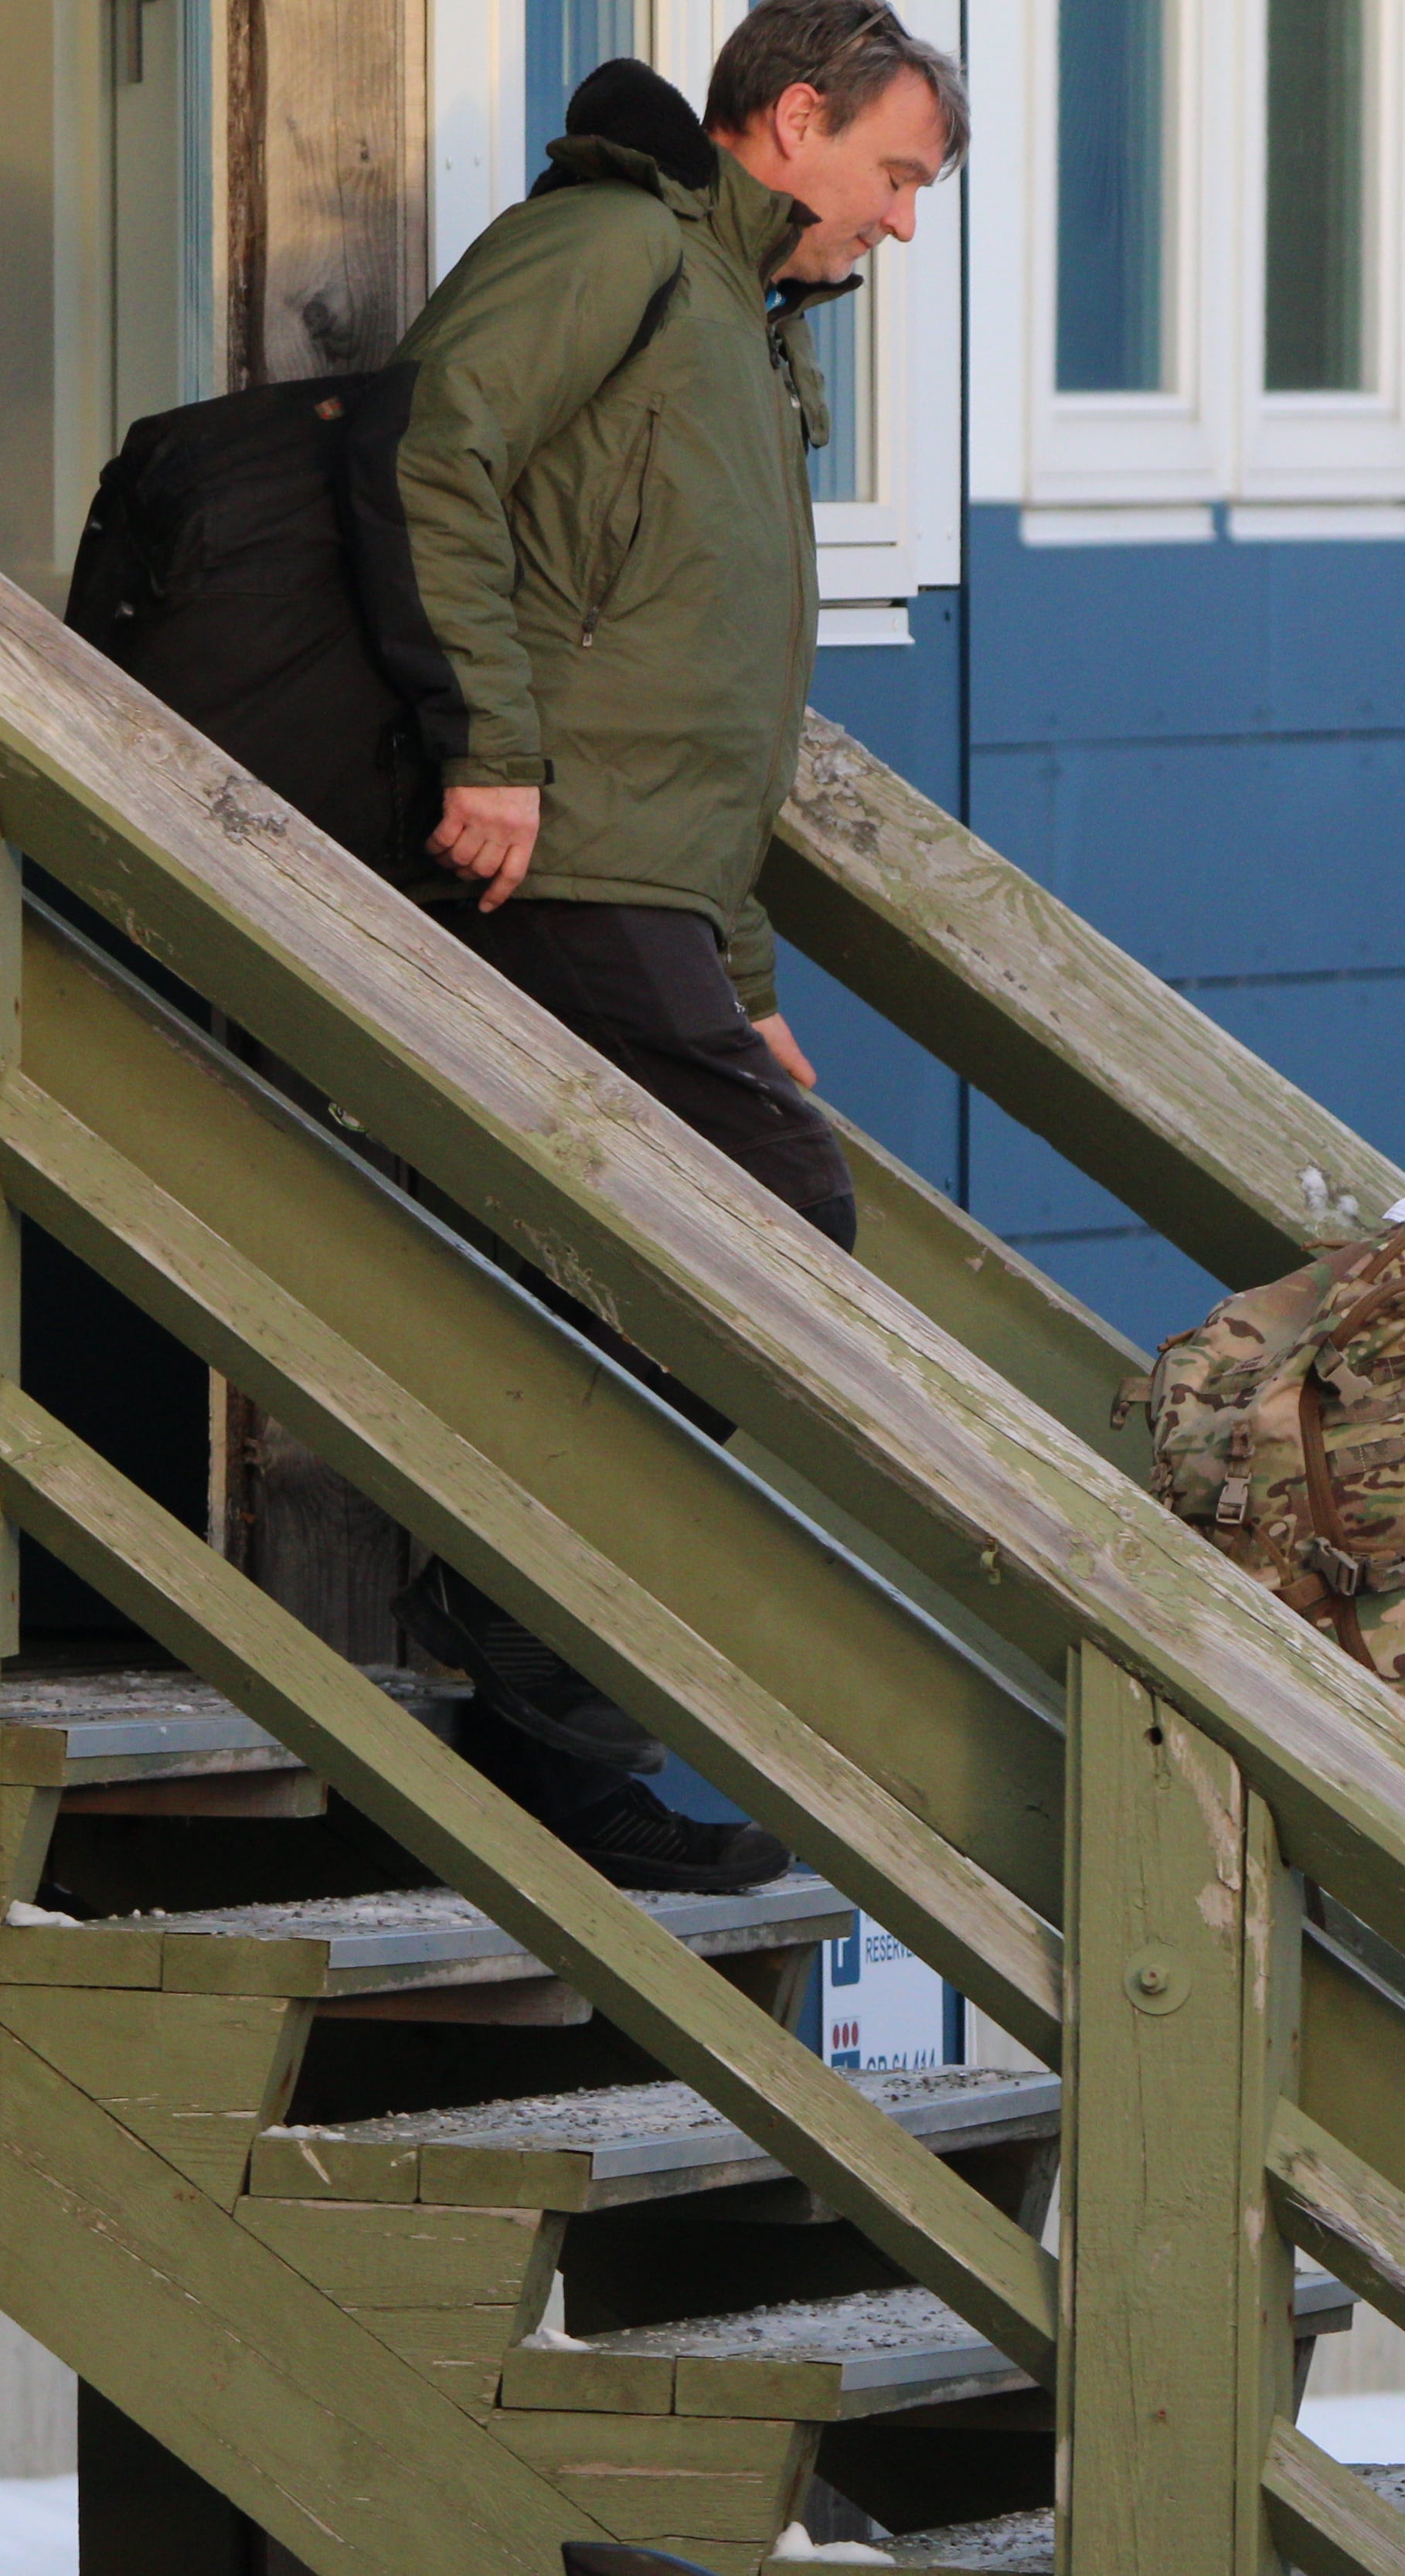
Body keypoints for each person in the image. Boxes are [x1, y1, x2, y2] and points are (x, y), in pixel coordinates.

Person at [362, 0, 961, 1891]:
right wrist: (494, 746)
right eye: (895, 174)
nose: (903, 223)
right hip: (558, 861)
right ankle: (519, 1639)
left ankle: (548, 1722)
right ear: (791, 122)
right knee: (775, 1229)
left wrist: (753, 986)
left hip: (649, 880)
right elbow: (426, 446)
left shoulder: (743, 329)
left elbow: (717, 706)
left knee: (653, 1266)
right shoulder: (614, 247)